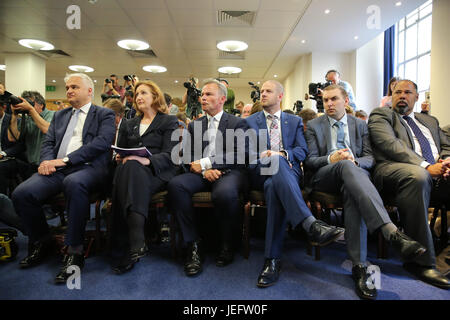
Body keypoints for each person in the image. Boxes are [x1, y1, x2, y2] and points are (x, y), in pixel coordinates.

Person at [305, 84, 427, 299]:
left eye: (334, 99)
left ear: (346, 101)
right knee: (345, 167)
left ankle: (359, 266)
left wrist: (354, 161)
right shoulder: (315, 125)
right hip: (326, 176)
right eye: (326, 101)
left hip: (354, 176)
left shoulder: (360, 125)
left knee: (353, 188)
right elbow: (310, 160)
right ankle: (390, 231)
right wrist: (331, 159)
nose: (329, 104)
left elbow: (370, 158)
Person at [12, 73, 115, 284]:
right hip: (57, 169)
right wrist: (46, 162)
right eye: (67, 87)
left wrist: (65, 160)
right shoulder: (60, 115)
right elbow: (48, 142)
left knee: (74, 183)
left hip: (89, 168)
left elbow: (101, 144)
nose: (69, 91)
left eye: (74, 87)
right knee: (22, 193)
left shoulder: (104, 114)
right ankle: (43, 241)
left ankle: (75, 251)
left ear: (89, 91)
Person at [245, 80, 344, 288]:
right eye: (261, 91)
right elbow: (247, 153)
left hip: (287, 172)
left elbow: (301, 151)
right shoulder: (250, 121)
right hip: (259, 170)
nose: (262, 94)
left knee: (274, 185)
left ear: (280, 96)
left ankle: (272, 259)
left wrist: (281, 154)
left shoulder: (293, 121)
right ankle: (310, 224)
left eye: (268, 91)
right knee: (273, 168)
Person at [368, 79, 450, 290]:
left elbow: (445, 146)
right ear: (392, 96)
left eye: (407, 92)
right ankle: (420, 262)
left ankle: (446, 253)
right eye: (397, 92)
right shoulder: (381, 115)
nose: (402, 95)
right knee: (418, 176)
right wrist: (425, 166)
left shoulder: (430, 121)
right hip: (393, 171)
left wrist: (447, 162)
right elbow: (391, 146)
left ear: (416, 97)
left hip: (436, 173)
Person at [167, 79, 248, 277]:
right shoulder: (195, 125)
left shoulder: (238, 122)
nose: (203, 97)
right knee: (176, 185)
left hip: (230, 172)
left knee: (224, 193)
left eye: (209, 94)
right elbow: (187, 157)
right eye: (202, 94)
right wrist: (204, 171)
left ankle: (227, 243)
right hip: (202, 173)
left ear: (222, 99)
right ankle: (193, 244)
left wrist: (208, 163)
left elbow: (241, 155)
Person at [109, 80, 178, 274]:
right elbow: (118, 152)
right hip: (129, 171)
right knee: (129, 166)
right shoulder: (128, 123)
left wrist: (147, 161)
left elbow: (171, 154)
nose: (138, 97)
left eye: (144, 93)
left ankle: (128, 244)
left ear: (155, 97)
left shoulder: (168, 121)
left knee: (131, 170)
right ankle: (137, 240)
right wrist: (121, 157)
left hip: (156, 172)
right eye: (137, 94)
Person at [0, 91, 55, 195]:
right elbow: (13, 137)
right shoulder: (28, 118)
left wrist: (30, 109)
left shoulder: (52, 115)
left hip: (48, 166)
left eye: (31, 103)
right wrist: (14, 115)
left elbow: (47, 129)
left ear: (41, 105)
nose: (27, 106)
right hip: (32, 165)